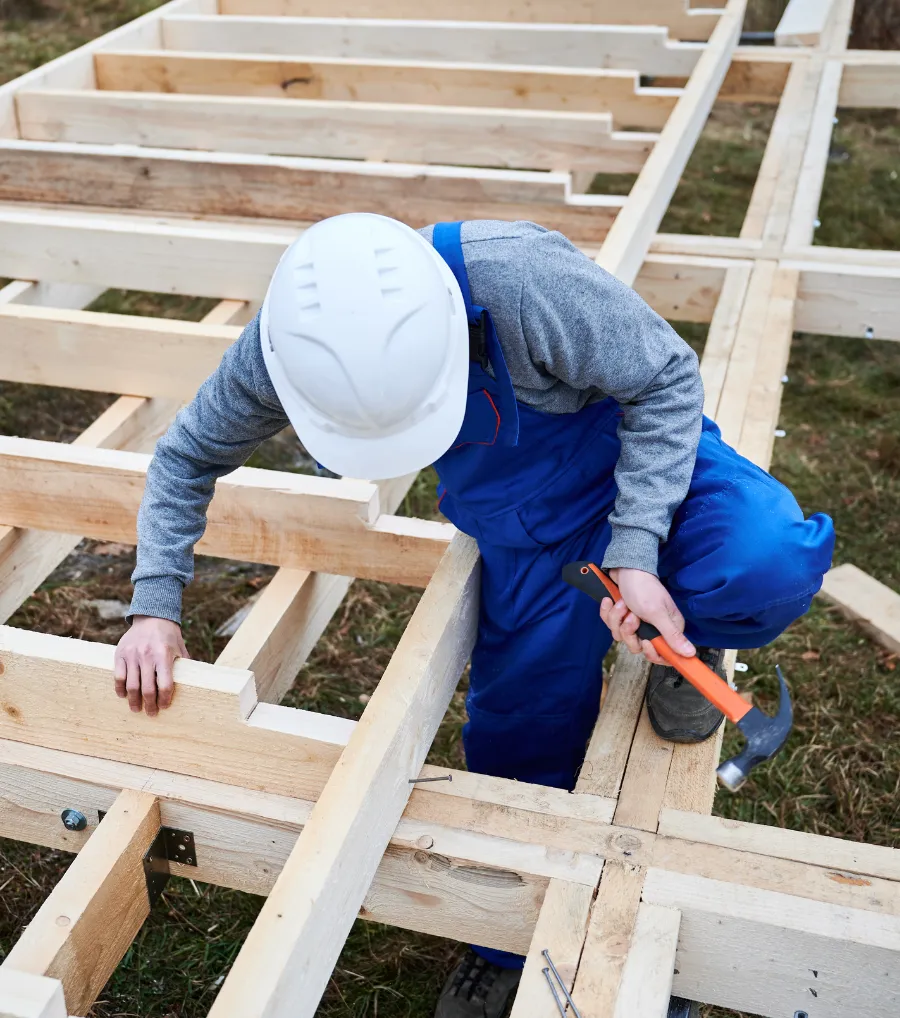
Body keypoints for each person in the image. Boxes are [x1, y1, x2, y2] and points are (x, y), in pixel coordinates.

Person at [115, 214, 834, 1018]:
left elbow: (664, 376)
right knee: (519, 734)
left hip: (635, 453)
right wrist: (153, 605)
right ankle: (506, 941)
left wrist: (637, 548)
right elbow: (185, 457)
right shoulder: (282, 346)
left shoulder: (521, 282)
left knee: (766, 559)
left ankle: (692, 647)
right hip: (528, 528)